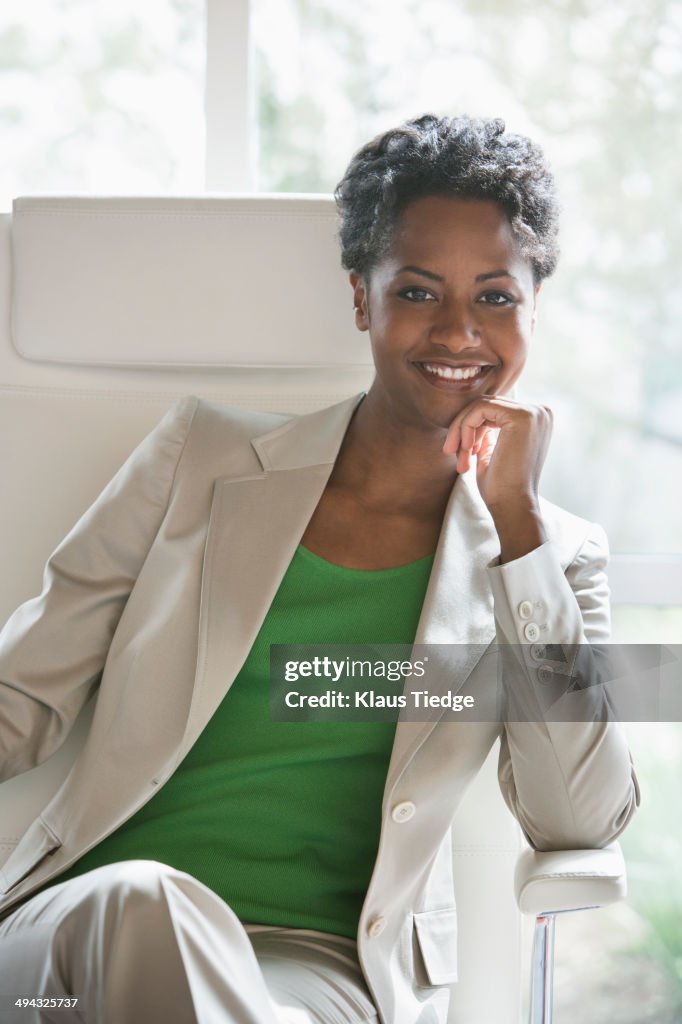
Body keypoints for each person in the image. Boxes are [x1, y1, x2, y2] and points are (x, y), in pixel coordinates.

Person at [0, 114, 639, 1024]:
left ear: (535, 308)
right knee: (144, 904)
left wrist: (518, 527)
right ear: (361, 297)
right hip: (71, 948)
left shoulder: (552, 557)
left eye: (496, 297)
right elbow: (19, 699)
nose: (459, 331)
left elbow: (578, 818)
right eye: (419, 291)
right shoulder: (199, 457)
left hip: (320, 975)